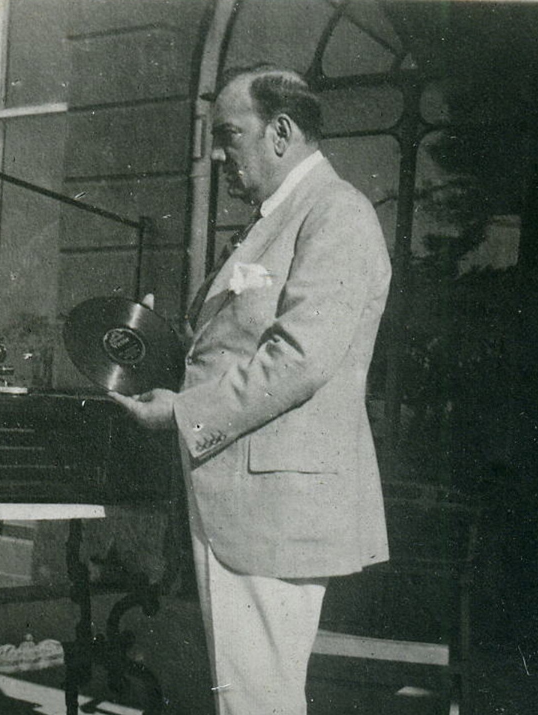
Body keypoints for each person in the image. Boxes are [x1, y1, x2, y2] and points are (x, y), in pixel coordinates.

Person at [111, 66, 392, 714]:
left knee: (258, 699)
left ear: (281, 132)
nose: (217, 155)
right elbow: (233, 343)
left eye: (229, 135)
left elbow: (298, 359)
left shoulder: (336, 213)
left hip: (276, 506)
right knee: (247, 696)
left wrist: (181, 413)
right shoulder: (278, 218)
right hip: (245, 499)